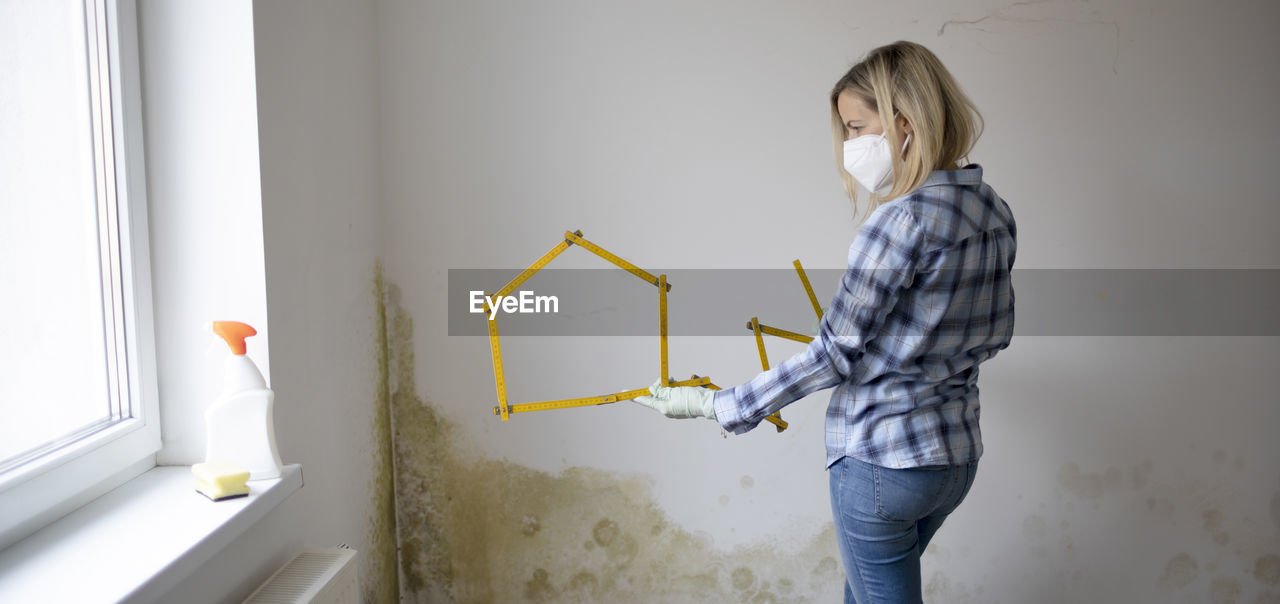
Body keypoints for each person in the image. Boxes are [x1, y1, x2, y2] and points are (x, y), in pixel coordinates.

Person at [633, 40, 1016, 604]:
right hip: (954, 462)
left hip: (883, 463)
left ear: (904, 122)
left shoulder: (899, 222)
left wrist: (720, 405)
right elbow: (994, 333)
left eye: (858, 127)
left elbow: (834, 354)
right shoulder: (992, 210)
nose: (851, 147)